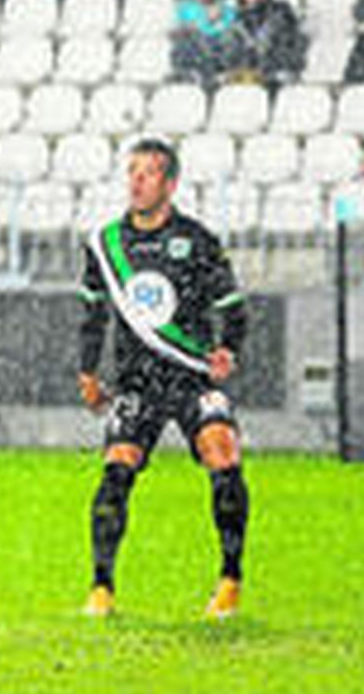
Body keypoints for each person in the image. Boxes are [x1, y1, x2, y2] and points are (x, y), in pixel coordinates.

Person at [77, 137, 250, 621]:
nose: (137, 181)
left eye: (148, 172)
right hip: (137, 382)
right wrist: (88, 371)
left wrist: (229, 350)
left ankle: (230, 579)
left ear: (170, 184)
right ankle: (101, 586)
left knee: (222, 452)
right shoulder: (106, 244)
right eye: (132, 171)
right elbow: (92, 316)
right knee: (117, 468)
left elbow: (233, 308)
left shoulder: (197, 240)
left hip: (192, 375)